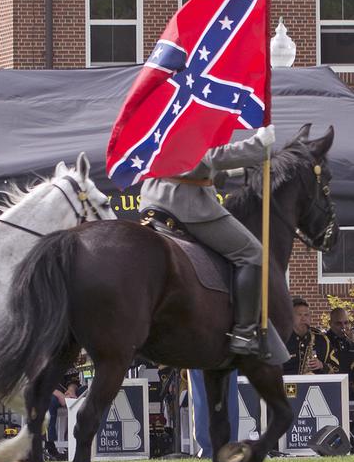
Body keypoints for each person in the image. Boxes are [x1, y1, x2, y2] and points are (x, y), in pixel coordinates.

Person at [139, 125, 275, 356]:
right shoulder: (195, 112)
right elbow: (210, 155)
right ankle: (244, 333)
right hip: (186, 204)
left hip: (153, 197)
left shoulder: (168, 113)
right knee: (252, 253)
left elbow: (189, 163)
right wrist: (259, 146)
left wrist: (230, 172)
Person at [282, 297, 336, 375]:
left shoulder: (322, 340)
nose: (303, 318)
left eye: (306, 315)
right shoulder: (282, 340)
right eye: (299, 315)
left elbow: (336, 368)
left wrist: (322, 366)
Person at [325, 307, 354, 391]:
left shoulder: (350, 343)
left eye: (346, 323)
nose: (343, 327)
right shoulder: (322, 342)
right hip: (330, 389)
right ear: (330, 323)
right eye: (338, 323)